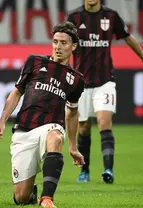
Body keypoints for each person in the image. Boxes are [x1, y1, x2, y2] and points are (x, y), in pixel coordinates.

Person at [0, 21, 85, 208]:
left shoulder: (76, 79)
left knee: (55, 137)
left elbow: (72, 113)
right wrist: (2, 119)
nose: (58, 47)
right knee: (21, 197)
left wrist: (73, 147)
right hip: (24, 131)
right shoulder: (35, 62)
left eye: (64, 43)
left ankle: (47, 199)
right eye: (55, 41)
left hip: (51, 125)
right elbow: (17, 92)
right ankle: (32, 194)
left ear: (73, 46)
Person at [66, 0, 143, 184]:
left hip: (105, 81)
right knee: (83, 127)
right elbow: (63, 43)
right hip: (81, 82)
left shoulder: (111, 16)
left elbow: (127, 36)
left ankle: (108, 169)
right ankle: (84, 171)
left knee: (103, 123)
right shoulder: (74, 18)